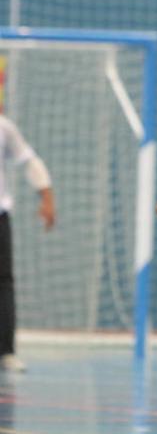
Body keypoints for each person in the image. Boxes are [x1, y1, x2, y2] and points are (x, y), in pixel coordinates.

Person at [0, 114, 55, 373]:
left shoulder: (4, 126)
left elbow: (28, 160)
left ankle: (6, 351)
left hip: (0, 216)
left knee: (4, 282)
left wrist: (46, 196)